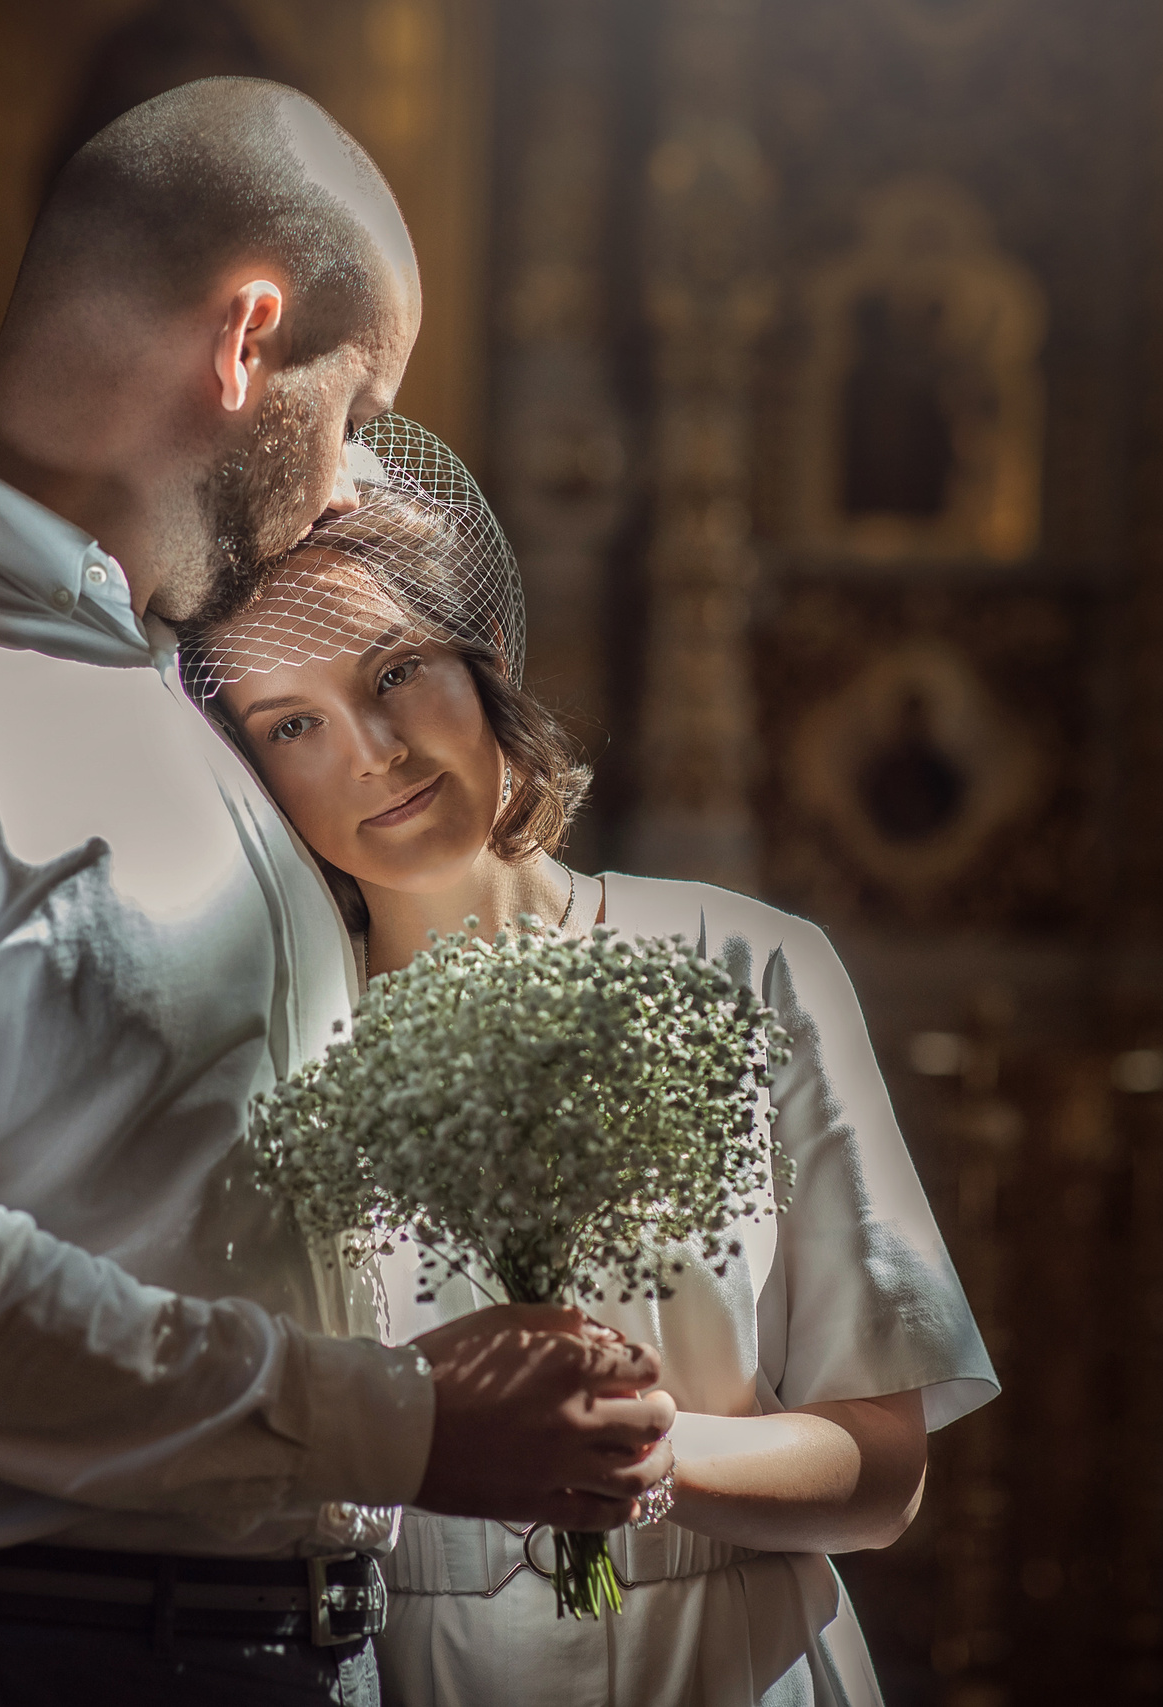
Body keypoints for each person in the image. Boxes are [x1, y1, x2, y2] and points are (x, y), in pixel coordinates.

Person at [0, 81, 675, 1707]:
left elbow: (184, 1202)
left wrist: (463, 1357)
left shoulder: (183, 704)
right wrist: (407, 1422)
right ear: (248, 338)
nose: (340, 487)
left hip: (275, 1649)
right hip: (24, 1651)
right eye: (355, 402)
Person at [182, 420, 999, 1707]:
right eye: (292, 727)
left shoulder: (749, 965)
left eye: (396, 672)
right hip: (417, 1671)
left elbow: (882, 1476)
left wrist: (651, 1457)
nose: (371, 753)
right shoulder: (272, 1044)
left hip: (735, 1665)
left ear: (487, 652)